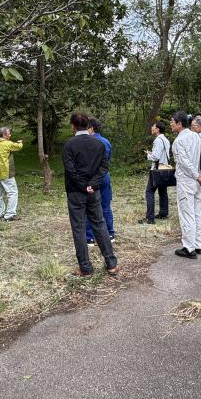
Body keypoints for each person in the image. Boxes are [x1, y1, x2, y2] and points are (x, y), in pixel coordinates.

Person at [62, 113, 119, 277]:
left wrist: (83, 185)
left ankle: (85, 268)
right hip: (93, 191)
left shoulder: (69, 145)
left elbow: (70, 170)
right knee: (99, 225)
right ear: (88, 126)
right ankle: (111, 263)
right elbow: (103, 167)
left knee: (79, 228)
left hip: (76, 192)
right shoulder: (99, 143)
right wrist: (92, 184)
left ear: (73, 126)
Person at [171, 111, 201, 258]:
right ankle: (198, 244)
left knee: (187, 213)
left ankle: (189, 247)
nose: (170, 124)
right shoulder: (196, 136)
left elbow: (184, 162)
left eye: (172, 122)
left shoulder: (179, 141)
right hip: (198, 180)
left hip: (187, 180)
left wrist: (196, 175)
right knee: (197, 211)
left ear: (179, 124)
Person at [85, 118, 115, 244]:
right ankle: (110, 234)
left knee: (89, 207)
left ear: (91, 128)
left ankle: (90, 237)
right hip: (104, 176)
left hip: (91, 178)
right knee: (106, 206)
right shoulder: (106, 142)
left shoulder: (87, 142)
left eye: (86, 128)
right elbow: (107, 160)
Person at [0, 126, 23, 221]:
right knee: (12, 193)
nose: (10, 135)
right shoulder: (7, 144)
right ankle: (10, 215)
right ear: (4, 135)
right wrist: (20, 142)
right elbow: (18, 147)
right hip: (6, 173)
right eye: (8, 133)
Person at [141, 121, 171, 224]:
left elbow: (156, 156)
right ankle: (163, 213)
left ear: (157, 129)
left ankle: (150, 218)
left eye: (153, 126)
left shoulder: (158, 140)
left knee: (149, 192)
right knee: (163, 192)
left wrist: (149, 155)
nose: (152, 128)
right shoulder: (166, 140)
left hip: (157, 170)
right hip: (165, 168)